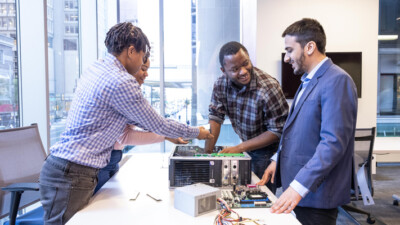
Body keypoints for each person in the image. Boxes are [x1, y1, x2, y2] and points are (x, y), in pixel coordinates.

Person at [39, 22, 212, 225]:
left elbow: (137, 118)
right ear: (131, 51)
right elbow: (156, 123)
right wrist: (196, 132)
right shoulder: (121, 81)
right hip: (72, 175)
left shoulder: (98, 67)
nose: (142, 64)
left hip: (67, 170)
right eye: (141, 55)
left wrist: (166, 132)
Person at [257, 18, 358, 225]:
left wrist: (298, 186)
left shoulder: (337, 80)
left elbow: (333, 144)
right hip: (298, 191)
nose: (286, 58)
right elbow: (298, 130)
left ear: (310, 47)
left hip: (315, 194)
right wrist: (278, 158)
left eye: (289, 50)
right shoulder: (308, 80)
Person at [94, 57, 188, 194]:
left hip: (112, 157)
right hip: (104, 160)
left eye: (147, 69)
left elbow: (147, 123)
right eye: (143, 69)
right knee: (99, 207)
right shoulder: (121, 90)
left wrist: (166, 133)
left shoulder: (128, 92)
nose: (146, 74)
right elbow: (124, 137)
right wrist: (166, 135)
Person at [204, 41, 289, 193]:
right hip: (247, 144)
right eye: (235, 69)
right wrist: (207, 153)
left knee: (260, 193)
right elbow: (216, 117)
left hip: (268, 151)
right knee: (242, 189)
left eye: (246, 63)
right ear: (224, 71)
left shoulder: (269, 87)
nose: (243, 71)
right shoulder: (220, 84)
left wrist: (239, 148)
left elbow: (278, 131)